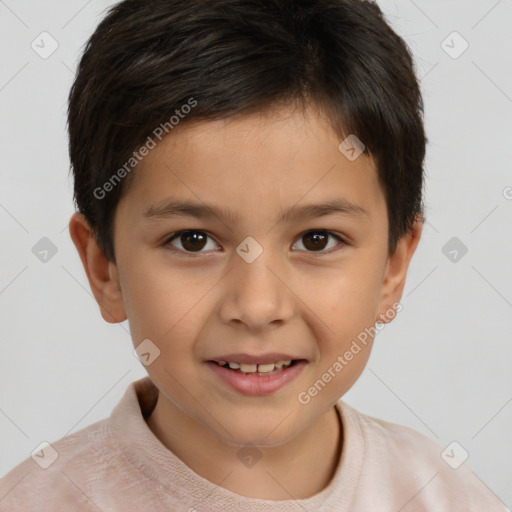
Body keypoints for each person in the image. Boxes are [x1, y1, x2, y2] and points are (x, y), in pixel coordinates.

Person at [0, 0, 507, 510]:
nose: (258, 305)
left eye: (317, 240)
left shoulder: (447, 497)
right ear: (104, 269)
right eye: (193, 240)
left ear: (392, 270)